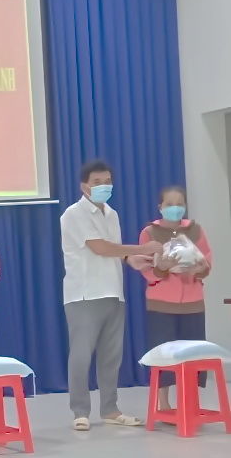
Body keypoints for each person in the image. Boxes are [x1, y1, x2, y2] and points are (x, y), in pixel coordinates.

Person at [60, 160, 162, 431]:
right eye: (97, 182)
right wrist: (142, 249)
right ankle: (80, 411)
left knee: (111, 355)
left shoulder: (112, 214)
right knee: (81, 355)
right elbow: (100, 248)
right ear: (84, 186)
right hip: (84, 293)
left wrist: (131, 259)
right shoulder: (74, 214)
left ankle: (110, 409)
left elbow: (115, 250)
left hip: (113, 291)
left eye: (107, 182)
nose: (103, 187)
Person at [138, 186, 213, 413]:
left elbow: (207, 260)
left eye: (179, 204)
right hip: (161, 305)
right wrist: (161, 268)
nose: (175, 208)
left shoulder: (195, 230)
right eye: (170, 204)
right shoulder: (149, 232)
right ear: (160, 207)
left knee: (193, 355)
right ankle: (163, 402)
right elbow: (145, 267)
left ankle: (189, 401)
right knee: (163, 354)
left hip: (192, 303)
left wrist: (201, 268)